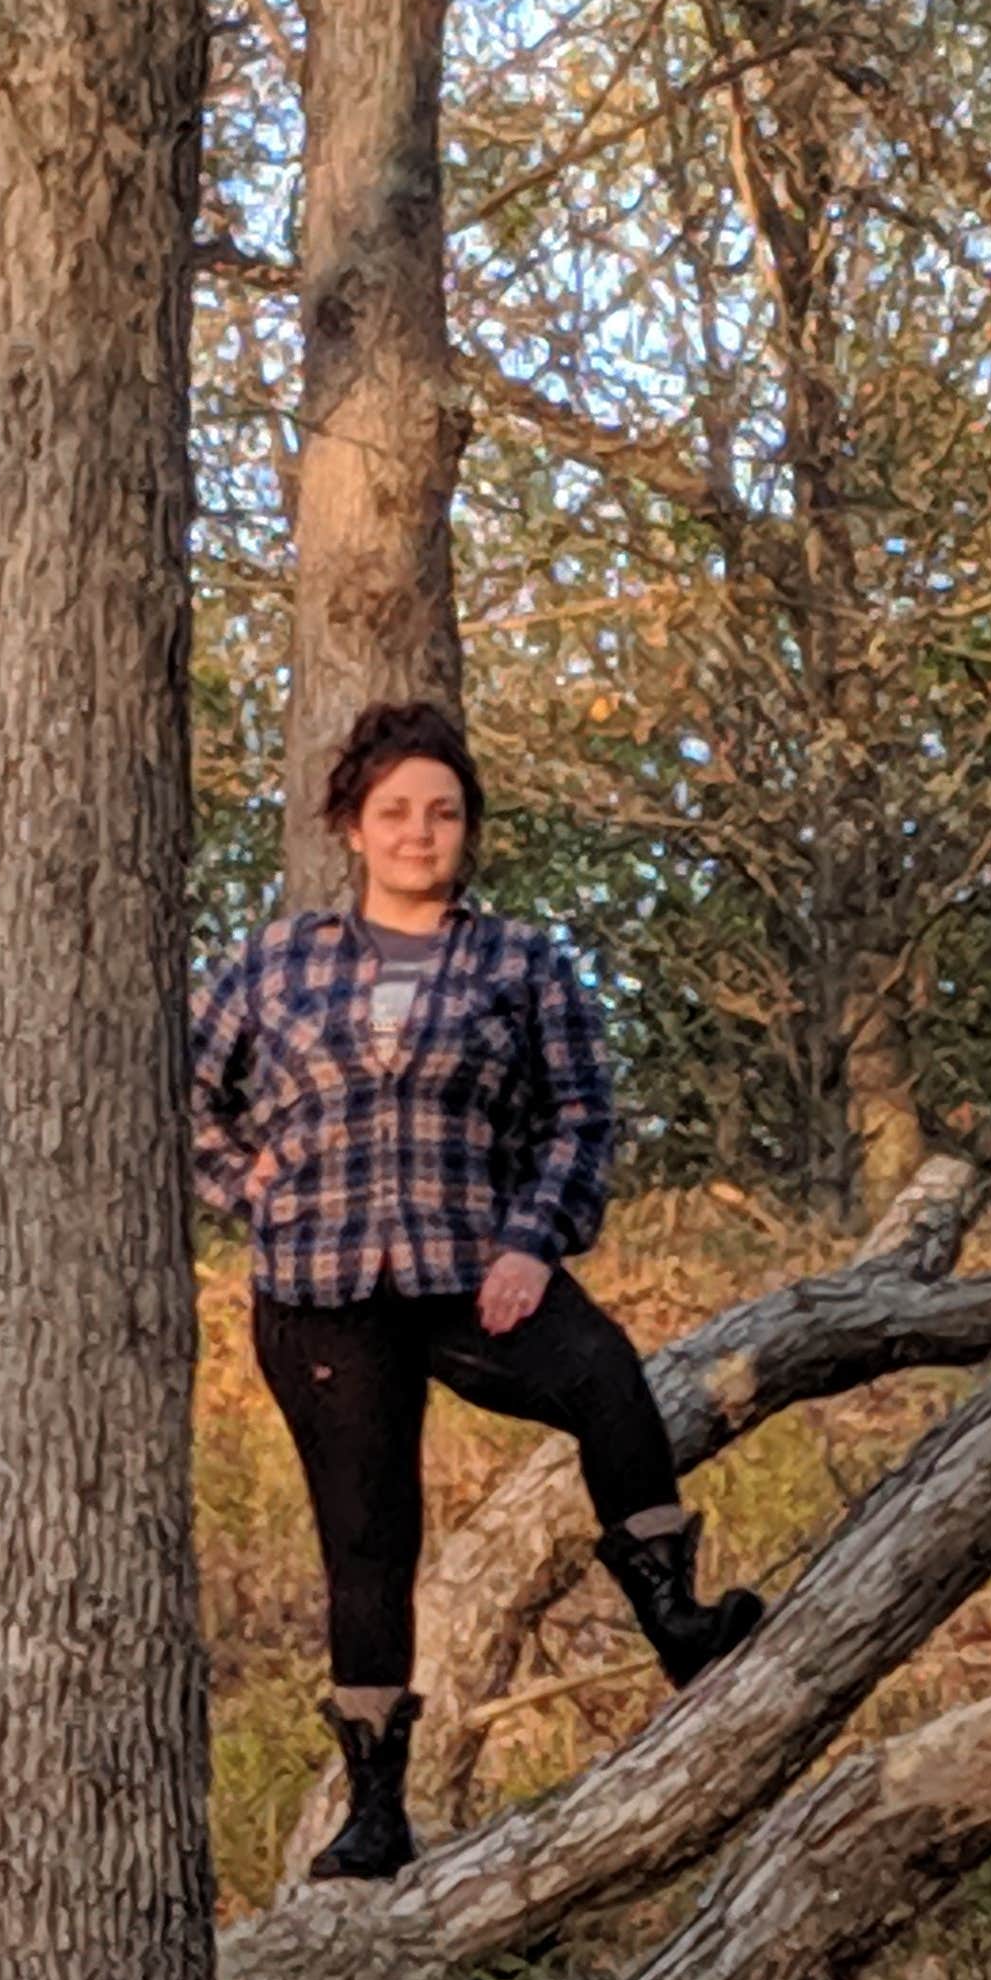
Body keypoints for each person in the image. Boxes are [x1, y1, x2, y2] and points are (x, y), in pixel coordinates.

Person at [192, 701, 766, 1883]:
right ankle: (376, 1814)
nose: (419, 833)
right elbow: (178, 1092)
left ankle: (676, 1618)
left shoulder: (521, 963)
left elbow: (582, 1117)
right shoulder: (275, 960)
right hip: (320, 1286)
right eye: (396, 812)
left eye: (443, 813)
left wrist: (532, 1245)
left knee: (606, 1377)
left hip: (471, 1271)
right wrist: (240, 1181)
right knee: (368, 1537)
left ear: (468, 829)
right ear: (353, 827)